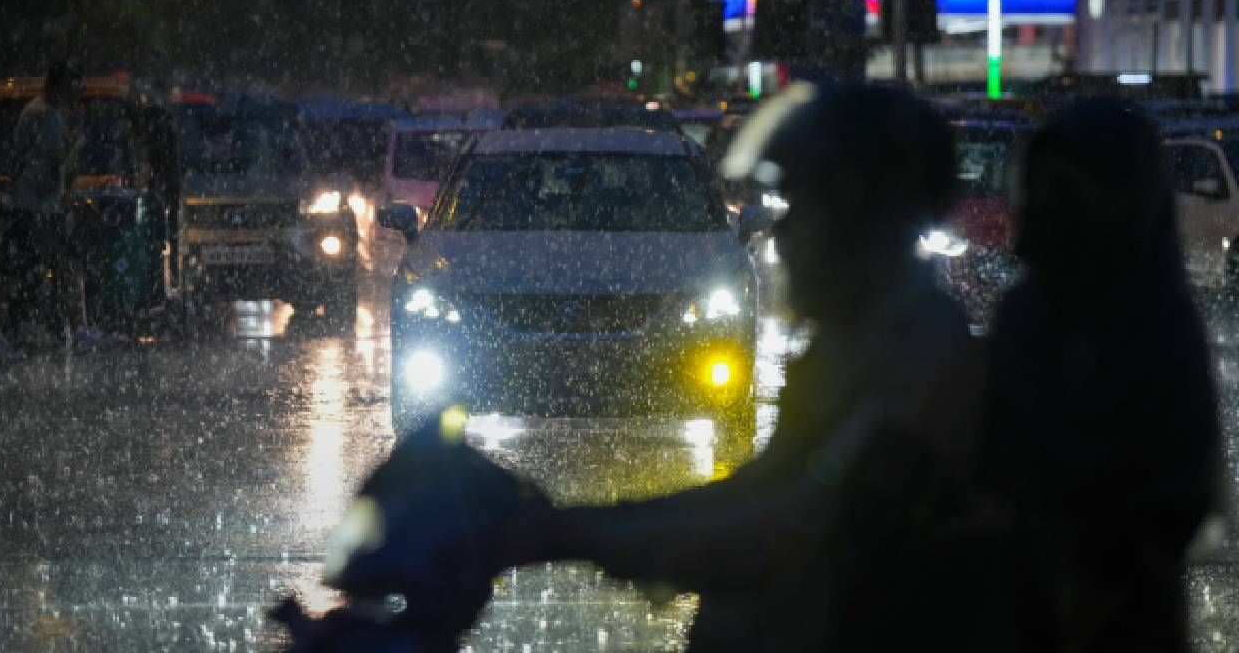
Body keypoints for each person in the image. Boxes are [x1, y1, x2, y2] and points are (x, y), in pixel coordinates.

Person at [469, 83, 996, 651]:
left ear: (858, 215)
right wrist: (570, 528)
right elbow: (759, 490)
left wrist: (573, 533)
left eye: (803, 210)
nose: (786, 239)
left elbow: (784, 523)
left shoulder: (915, 358)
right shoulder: (851, 346)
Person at [983, 99, 1223, 652]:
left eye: (1071, 193)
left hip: (1124, 611)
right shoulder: (1033, 314)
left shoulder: (1155, 323)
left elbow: (1177, 493)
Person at [5, 60, 83, 346]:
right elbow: (56, 157)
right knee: (48, 267)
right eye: (72, 86)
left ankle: (33, 329)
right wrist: (74, 143)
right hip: (38, 206)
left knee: (34, 269)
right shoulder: (46, 115)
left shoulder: (38, 111)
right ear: (60, 87)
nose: (76, 93)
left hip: (33, 204)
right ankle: (44, 329)